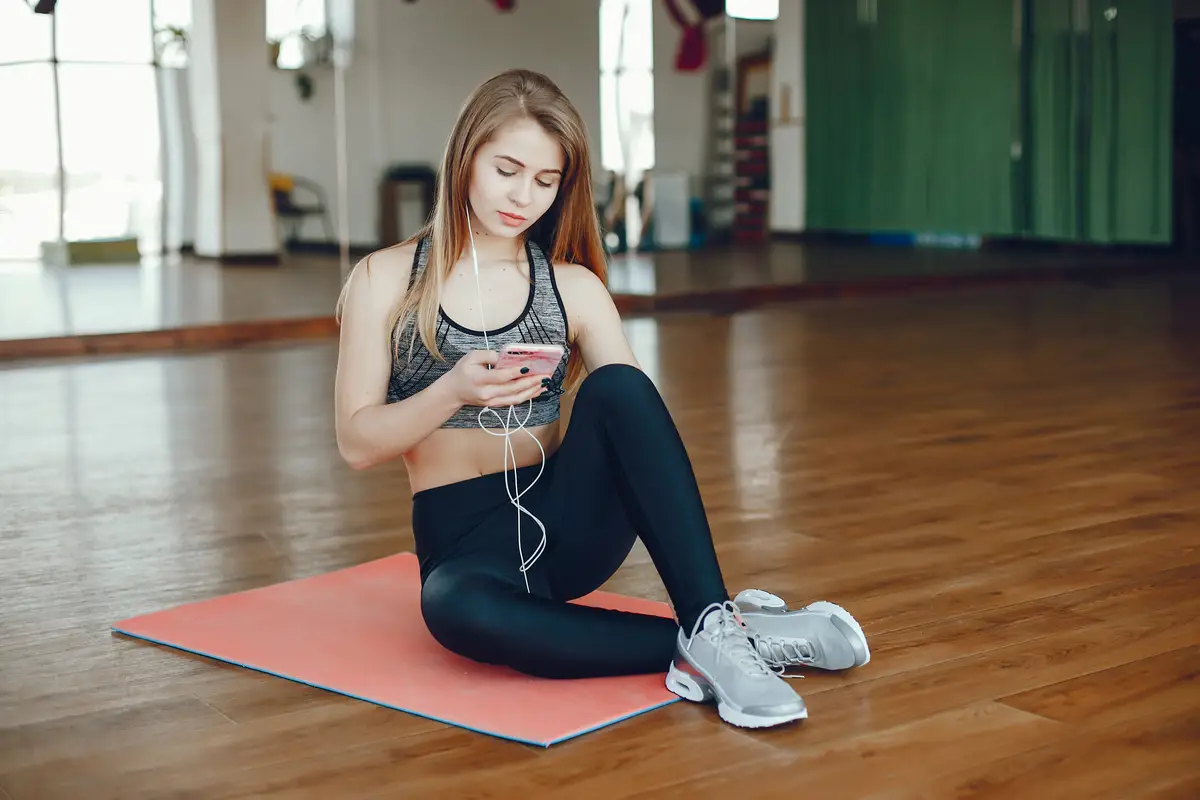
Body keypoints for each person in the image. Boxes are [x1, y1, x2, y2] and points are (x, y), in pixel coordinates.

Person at [334, 69, 868, 730]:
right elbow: (357, 443)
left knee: (619, 385)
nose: (522, 196)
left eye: (544, 181)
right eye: (507, 169)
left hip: (565, 526)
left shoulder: (573, 287)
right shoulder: (384, 279)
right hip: (465, 550)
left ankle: (708, 614)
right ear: (466, 155)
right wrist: (453, 389)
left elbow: (635, 427)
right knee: (456, 614)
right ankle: (731, 639)